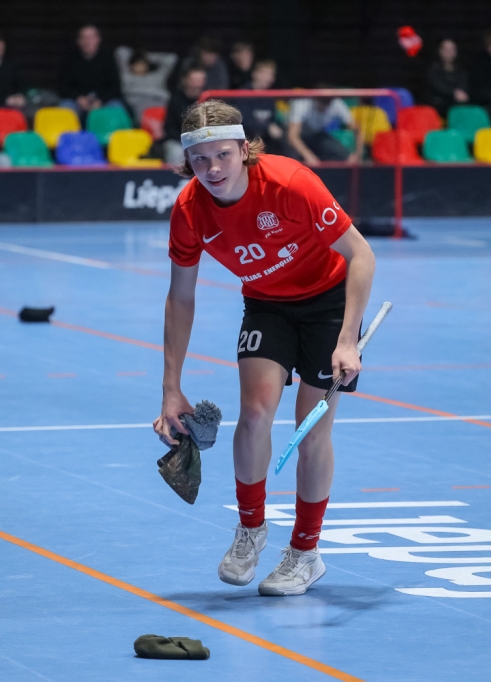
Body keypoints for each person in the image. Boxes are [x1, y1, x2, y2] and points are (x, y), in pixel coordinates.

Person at [156, 98, 376, 597]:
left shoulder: (291, 183)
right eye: (200, 159)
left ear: (244, 150)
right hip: (267, 304)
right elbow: (180, 297)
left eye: (223, 155)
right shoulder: (189, 211)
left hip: (329, 304)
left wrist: (347, 340)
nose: (213, 169)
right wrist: (171, 389)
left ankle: (305, 552)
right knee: (254, 413)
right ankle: (250, 529)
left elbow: (361, 255)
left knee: (311, 428)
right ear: (186, 160)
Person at [57, 24, 124, 121]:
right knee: (65, 107)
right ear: (78, 41)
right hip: (77, 101)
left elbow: (115, 87)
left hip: (102, 101)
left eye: (91, 38)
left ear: (98, 39)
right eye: (84, 38)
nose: (87, 41)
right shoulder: (69, 59)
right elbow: (62, 86)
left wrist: (100, 100)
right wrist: (78, 98)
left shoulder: (108, 58)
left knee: (116, 107)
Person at [286, 89, 363, 164]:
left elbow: (357, 129)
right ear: (314, 99)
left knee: (346, 157)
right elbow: (292, 136)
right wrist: (308, 155)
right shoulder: (302, 104)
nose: (326, 106)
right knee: (292, 155)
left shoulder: (337, 104)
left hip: (319, 135)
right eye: (323, 101)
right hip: (300, 137)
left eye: (328, 101)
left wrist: (358, 155)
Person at [115, 46, 177, 122]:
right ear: (131, 66)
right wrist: (137, 54)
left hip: (162, 105)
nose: (140, 67)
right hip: (142, 109)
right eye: (137, 64)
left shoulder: (157, 77)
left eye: (143, 64)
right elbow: (121, 51)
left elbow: (171, 58)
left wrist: (147, 56)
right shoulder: (128, 77)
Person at [237, 59, 284, 155]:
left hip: (266, 142)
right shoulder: (243, 94)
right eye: (265, 73)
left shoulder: (270, 96)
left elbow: (273, 120)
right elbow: (244, 121)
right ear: (255, 74)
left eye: (271, 74)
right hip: (247, 141)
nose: (269, 78)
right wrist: (267, 128)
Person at [162, 65, 207, 165]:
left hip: (204, 141)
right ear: (185, 81)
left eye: (200, 80)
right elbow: (172, 129)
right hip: (178, 141)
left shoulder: (208, 99)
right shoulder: (176, 100)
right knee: (176, 152)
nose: (198, 84)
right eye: (194, 80)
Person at [425, 38, 469, 117]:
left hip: (457, 102)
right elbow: (438, 86)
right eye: (446, 50)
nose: (449, 52)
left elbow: (463, 84)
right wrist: (454, 93)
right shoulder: (433, 69)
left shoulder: (460, 69)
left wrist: (460, 93)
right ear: (440, 51)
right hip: (439, 103)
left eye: (452, 50)